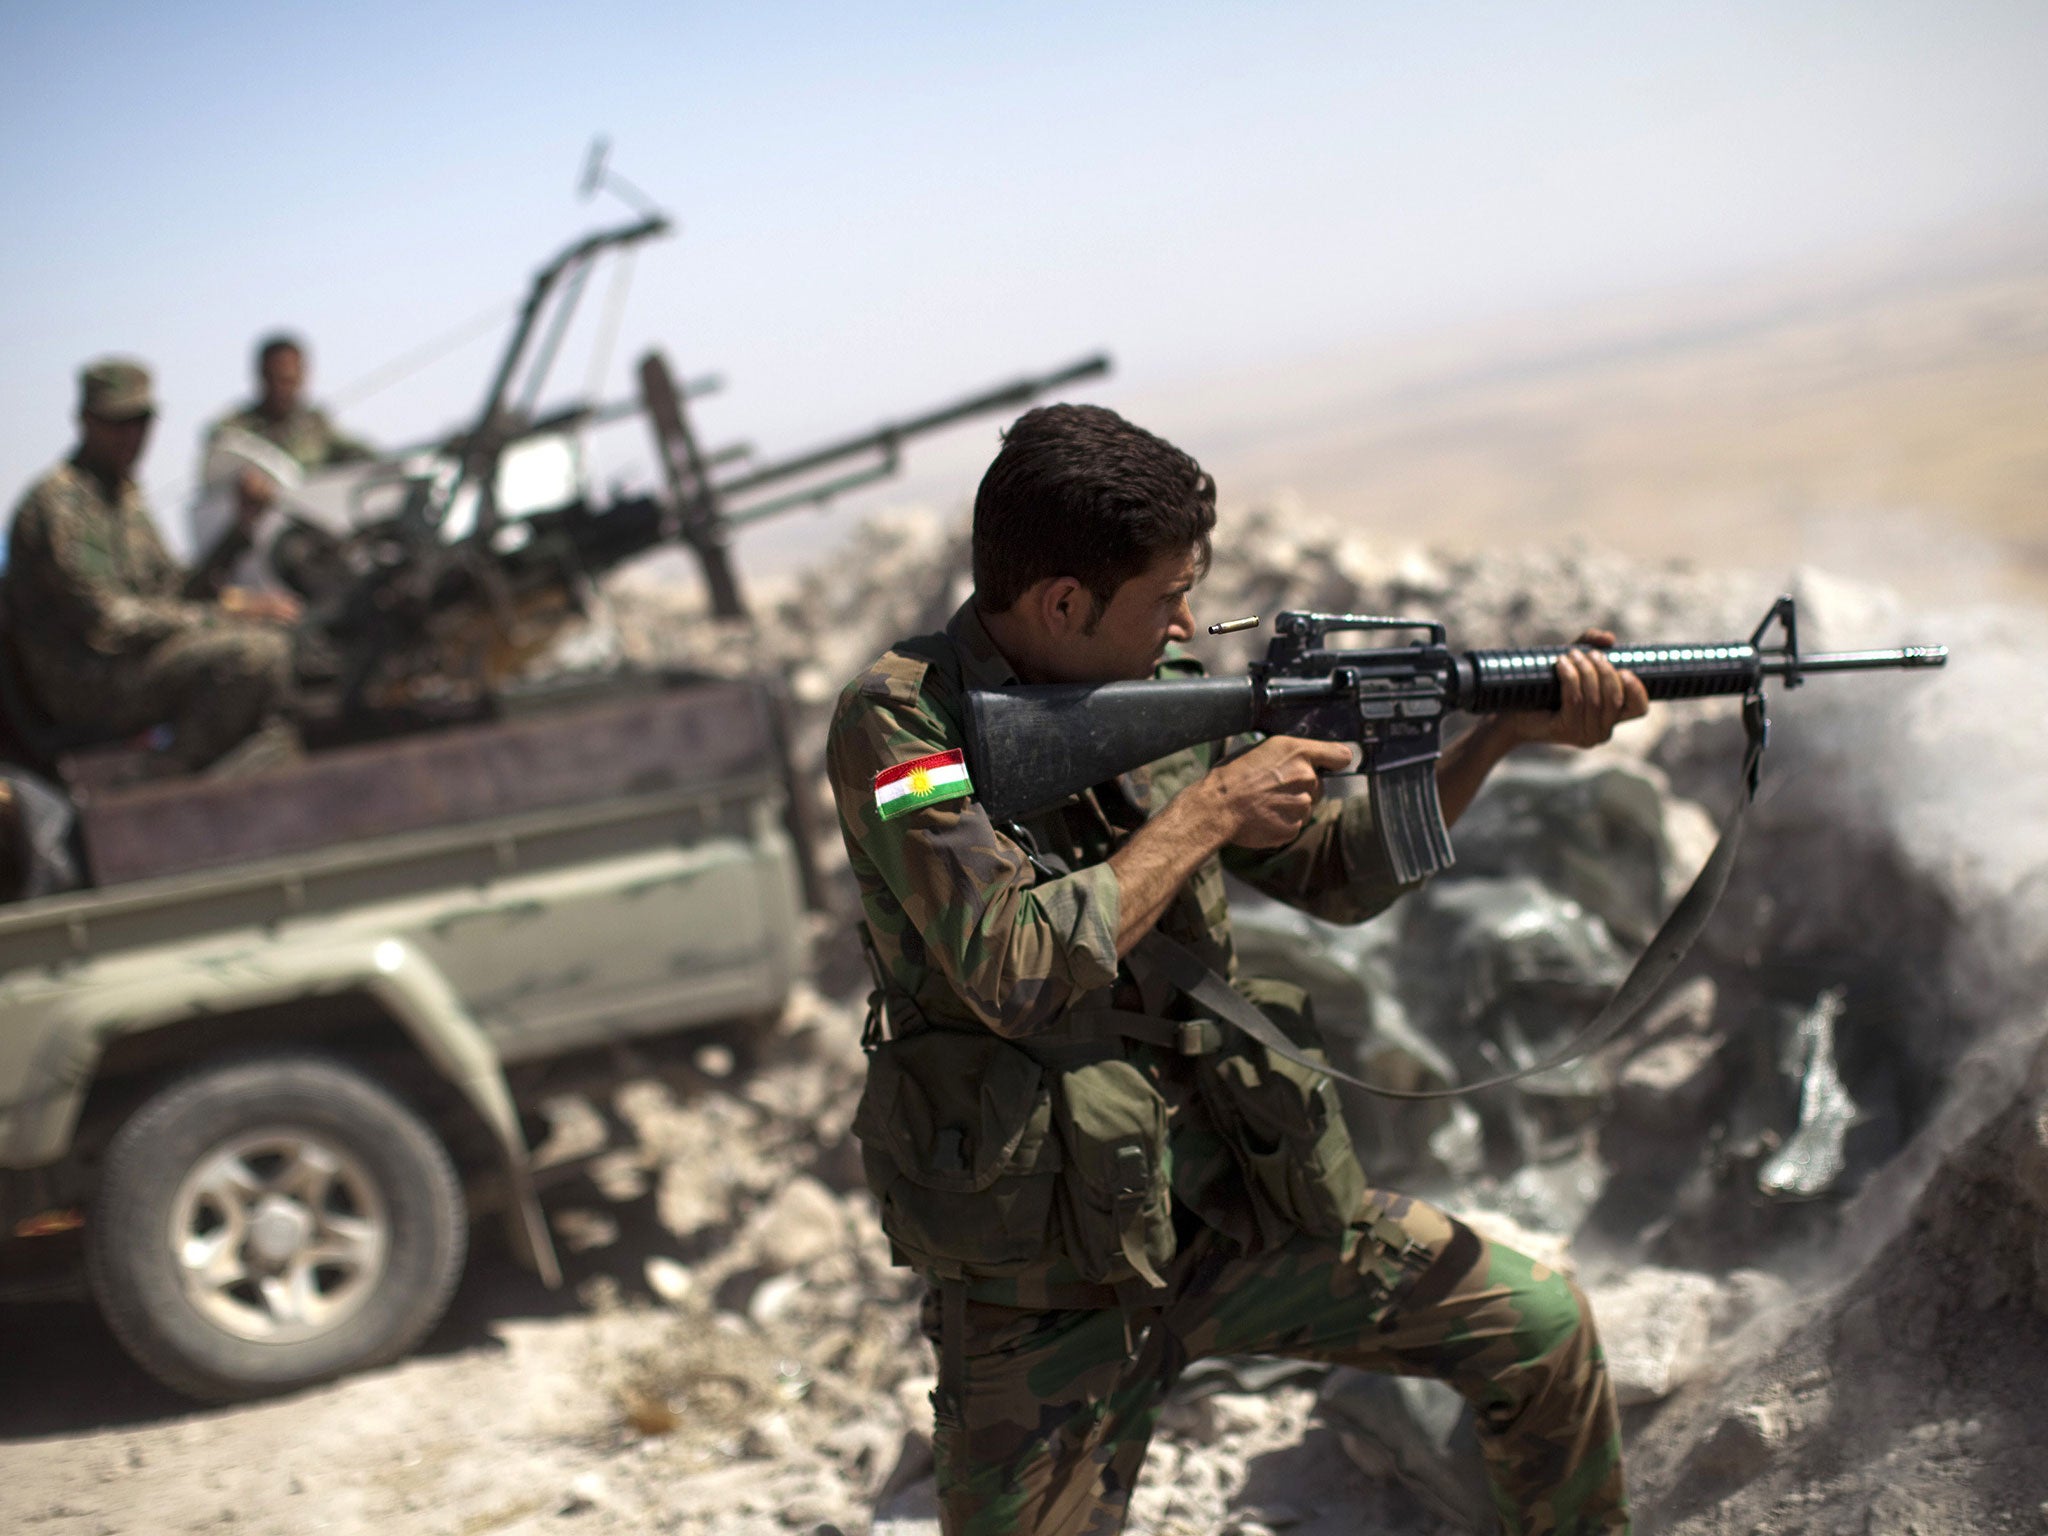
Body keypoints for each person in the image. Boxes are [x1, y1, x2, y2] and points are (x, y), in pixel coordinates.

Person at [826, 404, 1650, 1536]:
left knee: (1538, 1324)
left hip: (1238, 1202)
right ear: (1062, 603)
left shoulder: (1159, 683)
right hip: (1047, 1271)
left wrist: (1493, 738)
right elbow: (1009, 965)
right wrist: (1212, 808)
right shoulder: (900, 723)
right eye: (1167, 596)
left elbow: (1337, 880)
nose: (1190, 621)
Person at [5, 358, 302, 773]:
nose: (133, 436)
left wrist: (241, 529)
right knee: (254, 654)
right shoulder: (58, 505)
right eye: (117, 422)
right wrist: (227, 613)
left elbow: (173, 591)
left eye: (141, 421)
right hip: (90, 683)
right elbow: (109, 622)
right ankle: (163, 780)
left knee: (295, 637)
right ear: (86, 421)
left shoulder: (125, 498)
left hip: (135, 662)